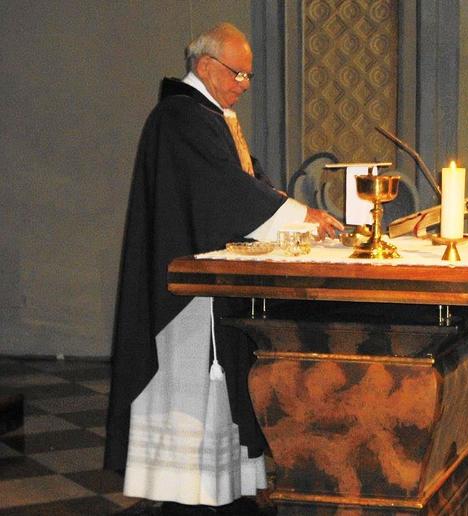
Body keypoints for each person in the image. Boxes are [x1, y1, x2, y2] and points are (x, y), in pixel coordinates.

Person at [104, 22, 343, 514]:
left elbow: (249, 181)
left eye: (249, 76)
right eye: (239, 74)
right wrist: (298, 215)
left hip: (211, 282)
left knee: (222, 392)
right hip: (186, 293)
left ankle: (223, 489)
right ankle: (188, 497)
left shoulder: (211, 116)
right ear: (206, 66)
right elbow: (225, 193)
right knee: (191, 392)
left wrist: (287, 206)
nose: (244, 85)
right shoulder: (180, 117)